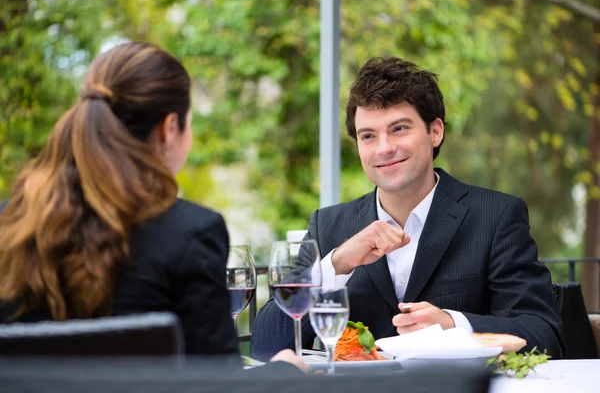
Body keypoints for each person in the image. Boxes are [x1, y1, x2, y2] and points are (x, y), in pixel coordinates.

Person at [0, 42, 305, 372]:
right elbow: (219, 387)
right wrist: (286, 371)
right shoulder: (190, 234)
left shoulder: (9, 225)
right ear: (170, 128)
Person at [251, 57, 563, 361]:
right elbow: (266, 345)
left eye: (399, 128)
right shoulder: (328, 224)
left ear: (435, 131)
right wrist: (336, 264)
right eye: (368, 136)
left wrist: (454, 325)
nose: (384, 148)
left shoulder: (496, 215)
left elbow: (543, 334)